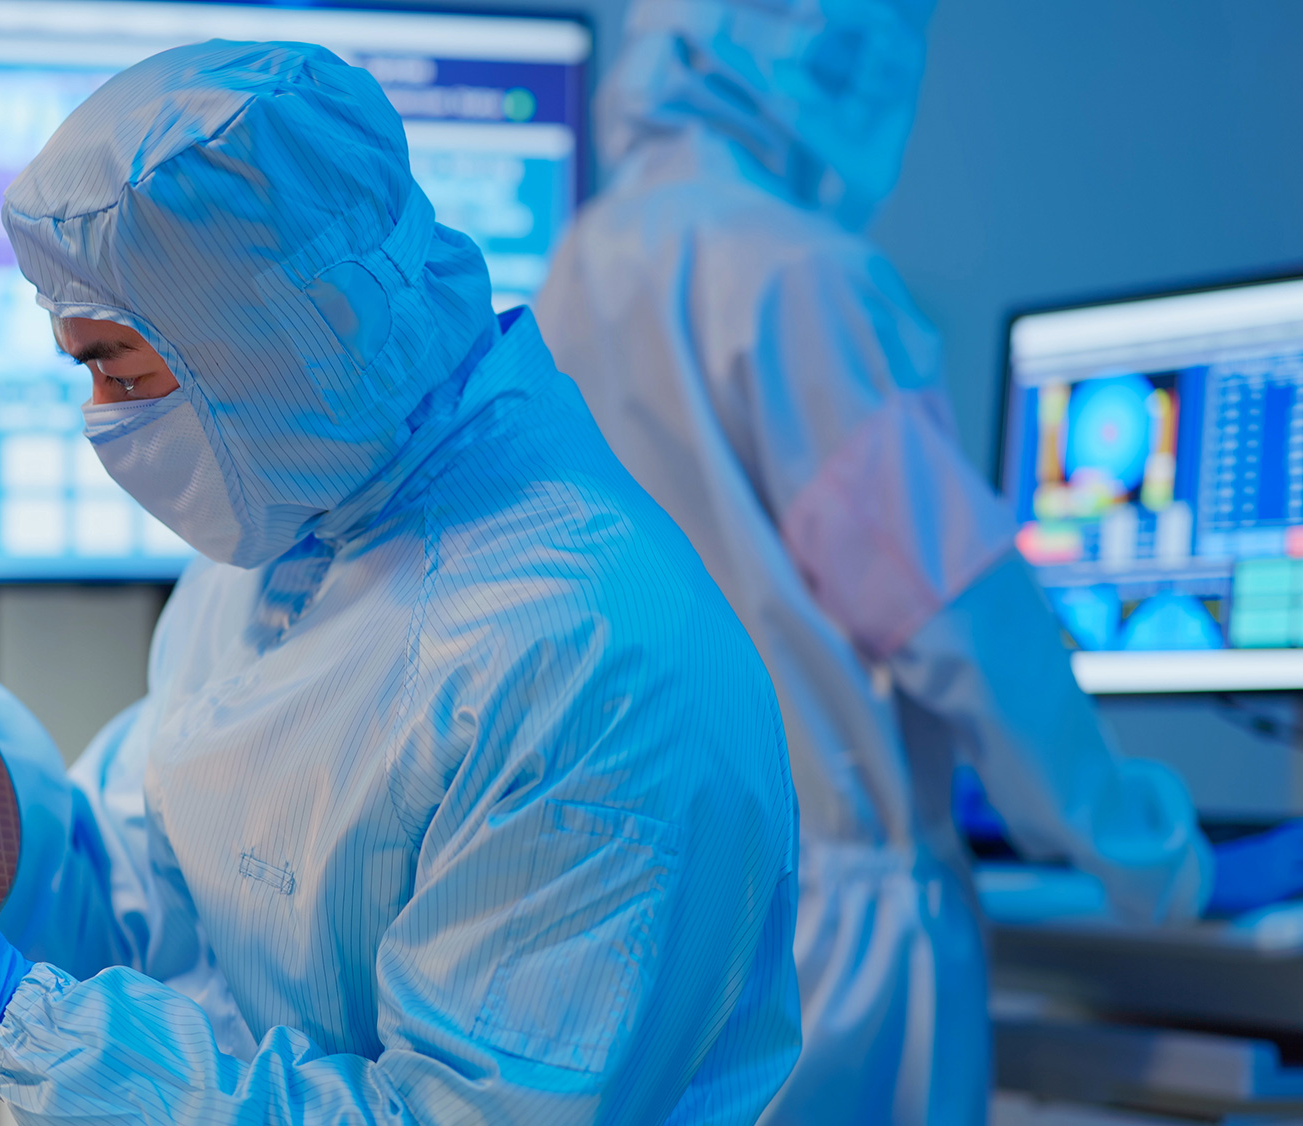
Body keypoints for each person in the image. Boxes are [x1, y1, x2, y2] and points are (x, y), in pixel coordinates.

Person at [0, 40, 804, 1124]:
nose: (100, 421)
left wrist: (15, 1025)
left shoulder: (585, 658)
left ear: (271, 337)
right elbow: (131, 910)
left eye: (117, 368)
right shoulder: (289, 542)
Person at [533, 2, 1259, 1123]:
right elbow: (957, 615)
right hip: (827, 932)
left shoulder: (576, 268)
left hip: (627, 910)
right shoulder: (793, 275)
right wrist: (1150, 858)